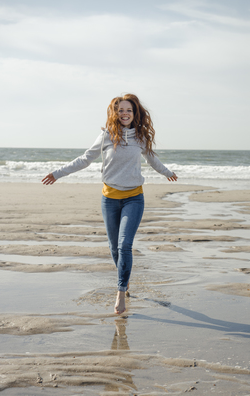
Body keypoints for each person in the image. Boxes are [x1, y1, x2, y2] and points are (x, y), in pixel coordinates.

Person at [42, 93, 177, 315]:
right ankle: (125, 278)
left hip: (134, 198)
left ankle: (120, 291)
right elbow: (85, 159)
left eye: (129, 110)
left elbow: (152, 159)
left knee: (124, 245)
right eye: (120, 110)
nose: (125, 114)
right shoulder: (106, 136)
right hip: (110, 199)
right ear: (115, 113)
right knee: (114, 247)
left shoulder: (140, 137)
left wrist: (167, 172)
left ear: (135, 114)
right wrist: (57, 173)